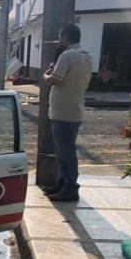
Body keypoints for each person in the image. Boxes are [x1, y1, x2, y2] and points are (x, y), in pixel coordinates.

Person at [43, 23, 93, 202]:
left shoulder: (67, 55)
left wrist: (46, 74)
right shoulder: (86, 57)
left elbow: (55, 80)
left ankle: (70, 187)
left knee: (65, 154)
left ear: (65, 37)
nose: (59, 40)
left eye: (61, 37)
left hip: (62, 113)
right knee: (66, 152)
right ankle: (63, 183)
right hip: (75, 110)